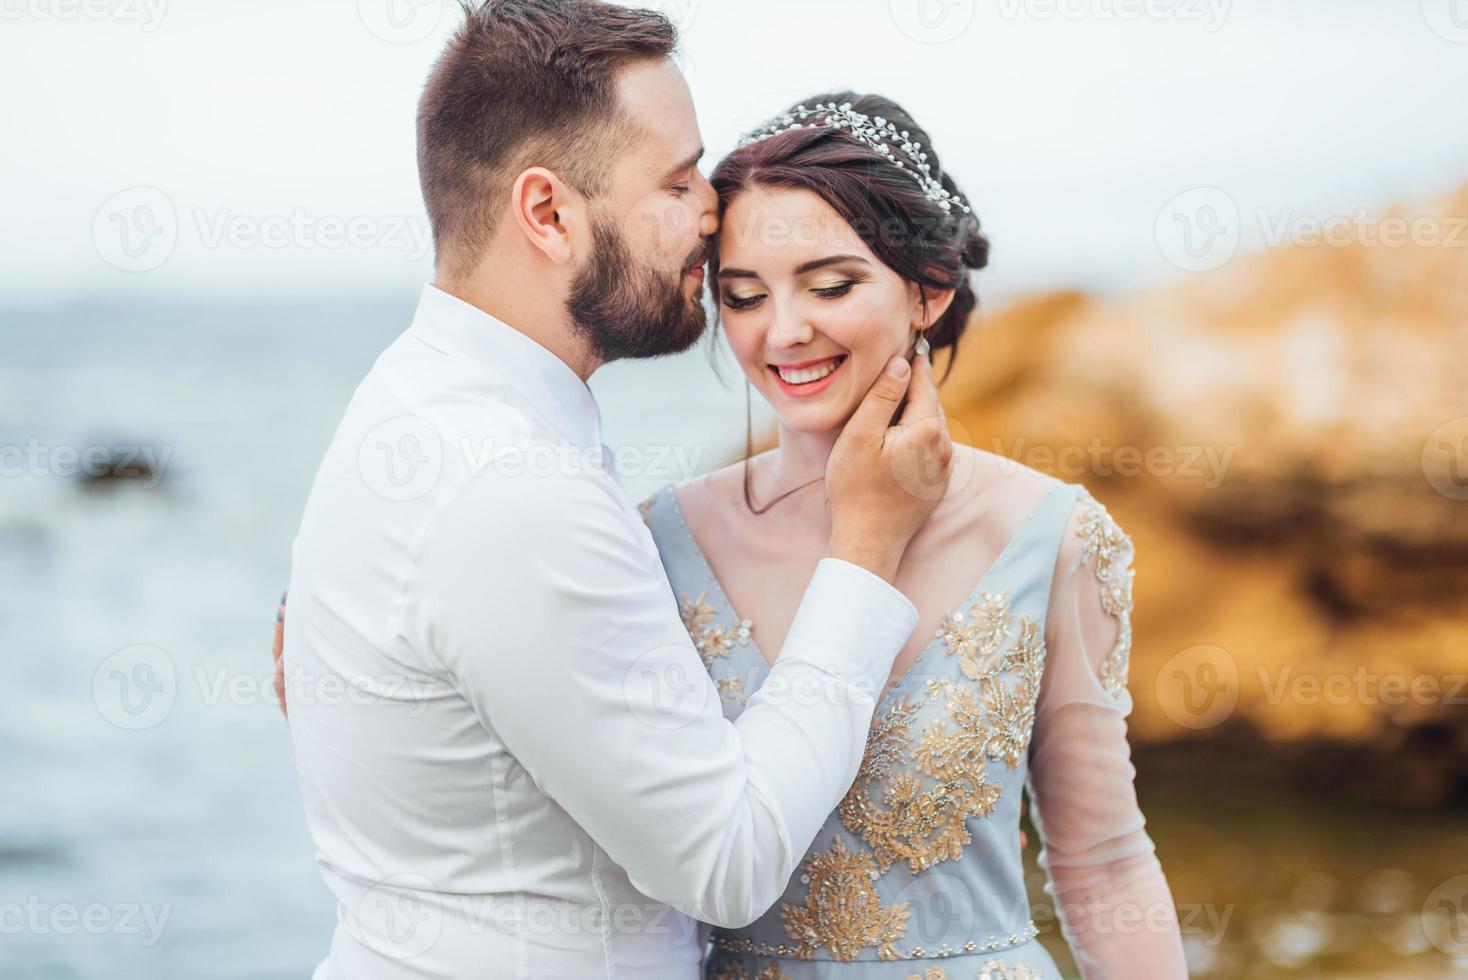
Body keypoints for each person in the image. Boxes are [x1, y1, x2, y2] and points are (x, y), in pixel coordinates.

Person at [276, 3, 953, 979]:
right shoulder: (507, 483)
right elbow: (729, 857)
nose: (713, 216)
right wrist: (868, 544)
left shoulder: (421, 397)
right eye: (678, 183)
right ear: (548, 213)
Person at [635, 93, 1191, 978]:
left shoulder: (1050, 538)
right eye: (744, 296)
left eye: (831, 286)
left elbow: (1103, 862)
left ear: (929, 290)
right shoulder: (662, 542)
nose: (784, 332)